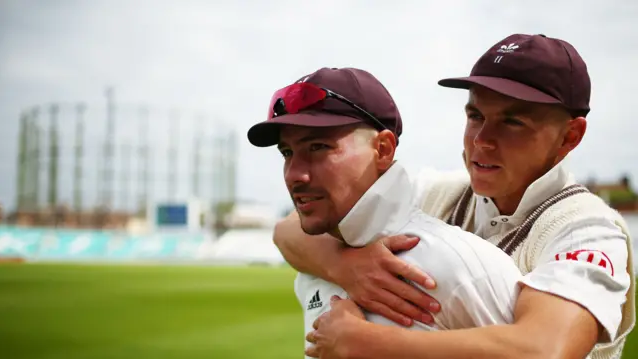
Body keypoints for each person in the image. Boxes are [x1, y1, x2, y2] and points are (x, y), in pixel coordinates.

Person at [274, 34, 636, 359]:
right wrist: (346, 266)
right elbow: (288, 230)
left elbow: (545, 350)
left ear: (570, 137)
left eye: (513, 122)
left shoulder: (587, 228)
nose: (482, 140)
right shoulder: (441, 192)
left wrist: (364, 343)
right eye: (475, 115)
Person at [247, 67, 525, 358]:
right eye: (287, 153)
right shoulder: (311, 274)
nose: (295, 175)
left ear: (382, 149)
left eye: (318, 147)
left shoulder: (457, 265)